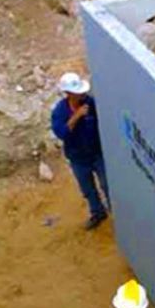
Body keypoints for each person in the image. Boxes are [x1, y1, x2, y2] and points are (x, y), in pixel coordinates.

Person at [50, 72, 110, 230]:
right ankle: (97, 212)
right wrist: (76, 117)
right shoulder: (60, 112)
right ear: (68, 93)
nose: (82, 95)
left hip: (97, 154)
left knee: (107, 184)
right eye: (77, 93)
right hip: (78, 159)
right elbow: (61, 133)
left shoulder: (91, 103)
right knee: (88, 189)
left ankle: (116, 210)